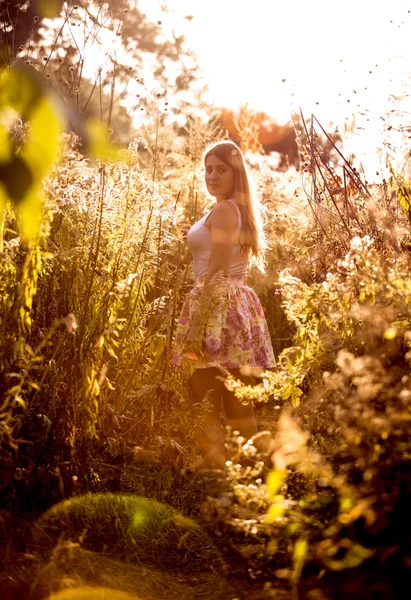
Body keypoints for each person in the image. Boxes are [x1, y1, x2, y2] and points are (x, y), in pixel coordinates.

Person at [171, 140, 276, 471]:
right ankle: (248, 471)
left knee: (208, 397)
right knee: (237, 399)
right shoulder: (230, 209)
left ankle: (219, 467)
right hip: (232, 303)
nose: (212, 175)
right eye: (208, 169)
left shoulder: (224, 210)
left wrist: (199, 322)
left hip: (217, 304)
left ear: (236, 174)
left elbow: (215, 269)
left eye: (221, 169)